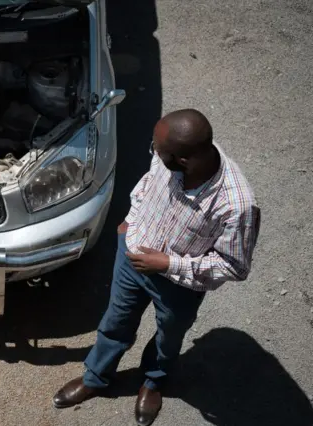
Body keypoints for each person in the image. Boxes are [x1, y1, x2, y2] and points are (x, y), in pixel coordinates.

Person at [52, 109, 261, 426]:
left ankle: (152, 382)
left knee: (168, 339)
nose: (152, 150)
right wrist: (129, 222)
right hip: (131, 257)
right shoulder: (170, 156)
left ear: (183, 161)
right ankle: (96, 377)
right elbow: (149, 183)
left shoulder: (237, 204)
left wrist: (167, 263)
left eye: (157, 148)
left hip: (179, 285)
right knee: (115, 322)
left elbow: (234, 265)